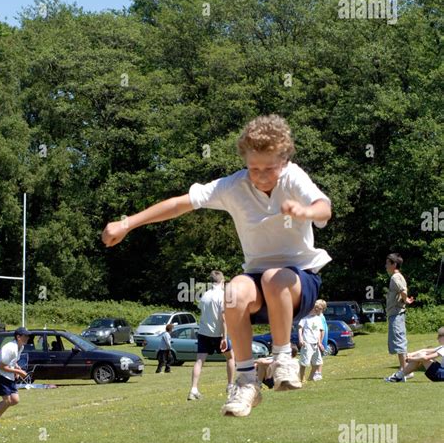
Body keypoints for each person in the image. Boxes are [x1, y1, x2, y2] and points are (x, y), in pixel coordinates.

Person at [102, 114, 332, 416]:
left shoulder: (293, 177)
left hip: (300, 282)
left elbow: (323, 207)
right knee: (233, 291)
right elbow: (180, 204)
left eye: (269, 169)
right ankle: (247, 380)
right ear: (244, 161)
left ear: (284, 160)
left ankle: (283, 357)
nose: (261, 176)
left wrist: (304, 211)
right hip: (258, 283)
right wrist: (127, 223)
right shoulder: (232, 186)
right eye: (253, 169)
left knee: (275, 278)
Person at [187, 270, 235, 400]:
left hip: (203, 332)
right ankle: (230, 386)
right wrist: (224, 337)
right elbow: (224, 319)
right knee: (230, 358)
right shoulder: (224, 296)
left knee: (199, 361)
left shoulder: (205, 295)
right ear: (223, 281)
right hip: (218, 333)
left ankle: (193, 389)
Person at [385, 253, 414, 375]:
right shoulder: (398, 277)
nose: (386, 266)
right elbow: (403, 291)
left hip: (396, 313)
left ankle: (405, 369)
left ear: (394, 264)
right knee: (398, 340)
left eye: (387, 263)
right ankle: (405, 368)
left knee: (399, 340)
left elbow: (402, 290)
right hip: (396, 313)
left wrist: (405, 298)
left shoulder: (395, 277)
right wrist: (405, 299)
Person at [297, 302, 325, 382]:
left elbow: (319, 331)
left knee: (317, 362)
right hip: (307, 343)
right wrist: (301, 339)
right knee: (304, 363)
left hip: (315, 344)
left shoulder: (318, 318)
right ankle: (302, 379)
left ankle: (310, 378)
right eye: (318, 309)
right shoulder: (305, 318)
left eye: (320, 310)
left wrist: (320, 342)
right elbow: (300, 328)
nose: (319, 311)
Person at [313, 298, 328, 380]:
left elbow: (322, 330)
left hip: (320, 338)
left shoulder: (320, 317)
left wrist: (320, 342)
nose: (315, 309)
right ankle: (316, 372)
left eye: (317, 308)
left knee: (319, 355)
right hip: (318, 338)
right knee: (316, 356)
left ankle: (318, 372)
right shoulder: (318, 316)